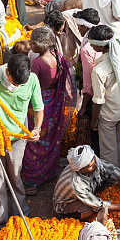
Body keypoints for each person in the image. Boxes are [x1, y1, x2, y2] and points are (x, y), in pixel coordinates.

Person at [0, 54, 43, 230]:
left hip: (18, 138)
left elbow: (38, 108)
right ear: (7, 72)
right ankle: (0, 222)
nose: (16, 87)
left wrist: (36, 128)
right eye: (14, 83)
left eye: (20, 85)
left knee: (16, 175)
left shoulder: (32, 79)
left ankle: (22, 214)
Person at [22, 26, 76, 189]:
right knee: (49, 140)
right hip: (52, 105)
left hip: (38, 107)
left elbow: (28, 87)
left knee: (34, 142)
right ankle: (48, 172)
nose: (30, 46)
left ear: (42, 44)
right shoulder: (57, 57)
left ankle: (32, 181)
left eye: (33, 43)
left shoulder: (37, 64)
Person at [52, 146, 120, 218]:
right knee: (91, 209)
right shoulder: (76, 184)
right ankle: (74, 217)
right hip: (66, 204)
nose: (95, 165)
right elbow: (100, 205)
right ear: (80, 170)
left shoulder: (91, 160)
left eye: (94, 160)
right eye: (90, 166)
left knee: (104, 173)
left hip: (84, 190)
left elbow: (112, 169)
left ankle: (92, 195)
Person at [88, 25, 120, 178]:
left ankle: (113, 184)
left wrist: (94, 120)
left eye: (92, 43)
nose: (90, 45)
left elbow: (98, 100)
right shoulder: (118, 57)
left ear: (98, 46)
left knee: (108, 151)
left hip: (108, 115)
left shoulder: (98, 70)